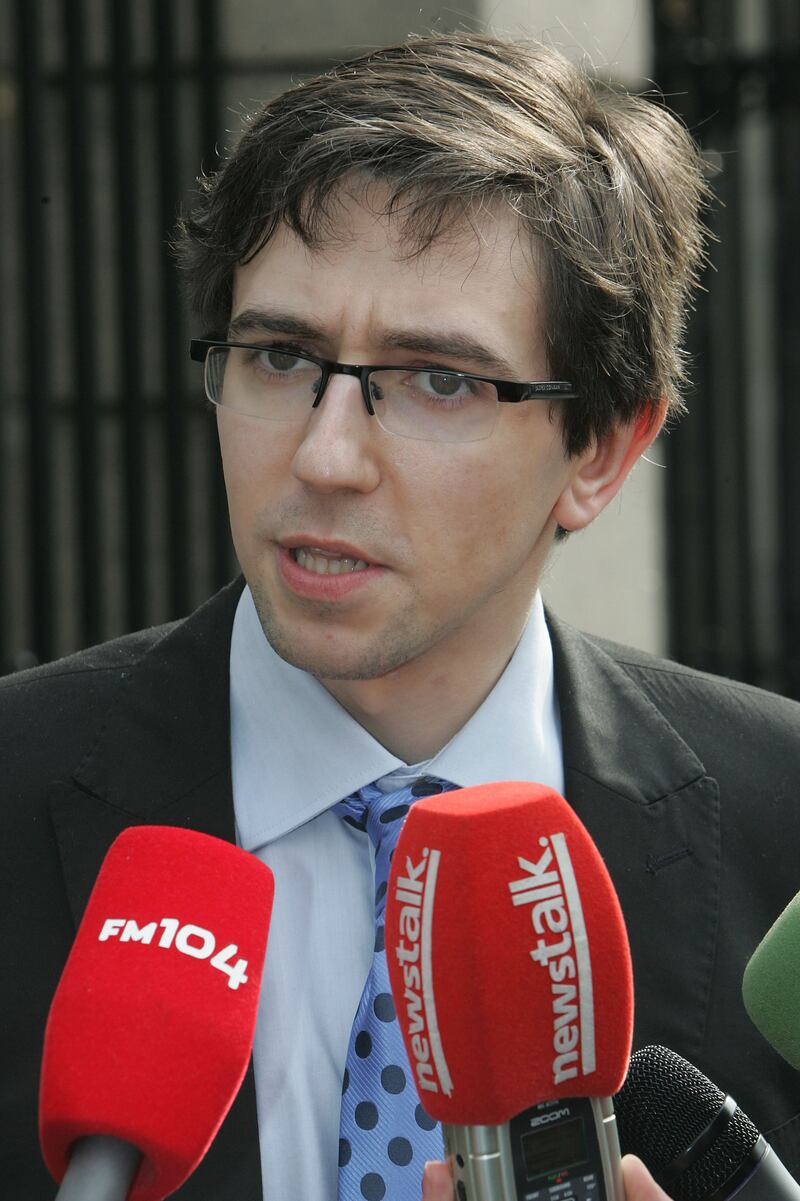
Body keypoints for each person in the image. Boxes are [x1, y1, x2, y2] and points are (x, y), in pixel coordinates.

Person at [2, 31, 798, 1201]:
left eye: (437, 380)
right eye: (278, 355)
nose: (324, 455)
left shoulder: (777, 829)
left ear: (605, 447)